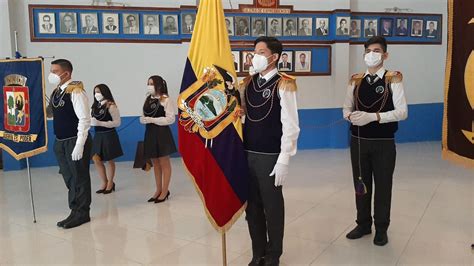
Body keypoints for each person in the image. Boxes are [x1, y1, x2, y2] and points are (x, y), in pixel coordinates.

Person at [240, 36, 300, 266]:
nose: (255, 56)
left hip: (270, 157)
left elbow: (291, 125)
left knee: (272, 208)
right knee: (252, 208)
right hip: (248, 154)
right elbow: (245, 114)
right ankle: (258, 252)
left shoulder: (284, 84)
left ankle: (274, 254)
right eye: (255, 51)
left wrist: (284, 159)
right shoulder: (248, 83)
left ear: (274, 57)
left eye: (261, 52)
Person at [342, 36, 408, 246]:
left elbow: (402, 112)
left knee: (383, 185)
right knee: (360, 184)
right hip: (359, 141)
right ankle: (363, 224)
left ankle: (381, 227)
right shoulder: (356, 80)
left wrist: (374, 117)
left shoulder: (393, 79)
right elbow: (346, 107)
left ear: (385, 55)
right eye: (368, 50)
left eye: (376, 50)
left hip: (383, 142)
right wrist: (349, 115)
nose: (372, 54)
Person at [48, 59, 92, 229]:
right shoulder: (56, 92)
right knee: (69, 178)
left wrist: (80, 143)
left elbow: (84, 119)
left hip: (74, 140)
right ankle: (74, 210)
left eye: (55, 71)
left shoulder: (76, 91)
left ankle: (82, 213)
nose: (51, 74)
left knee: (79, 178)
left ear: (66, 73)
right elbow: (52, 113)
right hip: (60, 142)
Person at [140, 75, 177, 203]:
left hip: (162, 133)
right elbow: (145, 113)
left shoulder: (165, 100)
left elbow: (171, 119)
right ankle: (158, 189)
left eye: (152, 83)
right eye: (148, 83)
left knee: (164, 162)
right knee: (155, 163)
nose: (149, 86)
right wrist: (143, 118)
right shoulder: (148, 99)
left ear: (159, 85)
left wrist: (153, 120)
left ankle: (165, 190)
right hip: (150, 133)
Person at [90, 84, 123, 194]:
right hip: (98, 135)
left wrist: (100, 123)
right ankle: (104, 181)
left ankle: (110, 182)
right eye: (95, 92)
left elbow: (117, 122)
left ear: (105, 92)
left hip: (109, 135)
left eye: (99, 92)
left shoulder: (111, 106)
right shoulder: (95, 106)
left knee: (110, 160)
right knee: (96, 158)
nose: (96, 94)